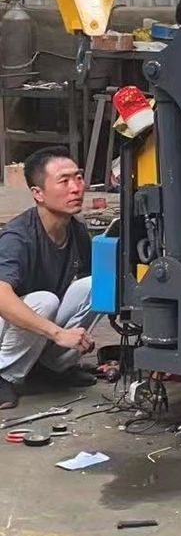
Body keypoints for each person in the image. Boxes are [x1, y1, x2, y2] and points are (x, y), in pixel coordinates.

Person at [0, 147, 97, 409]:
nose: (76, 188)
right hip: (5, 329)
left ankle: (50, 368)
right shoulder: (18, 237)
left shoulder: (76, 231)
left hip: (33, 330)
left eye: (78, 177)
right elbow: (1, 297)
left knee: (96, 285)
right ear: (38, 194)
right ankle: (4, 374)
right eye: (64, 181)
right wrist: (58, 333)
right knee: (45, 301)